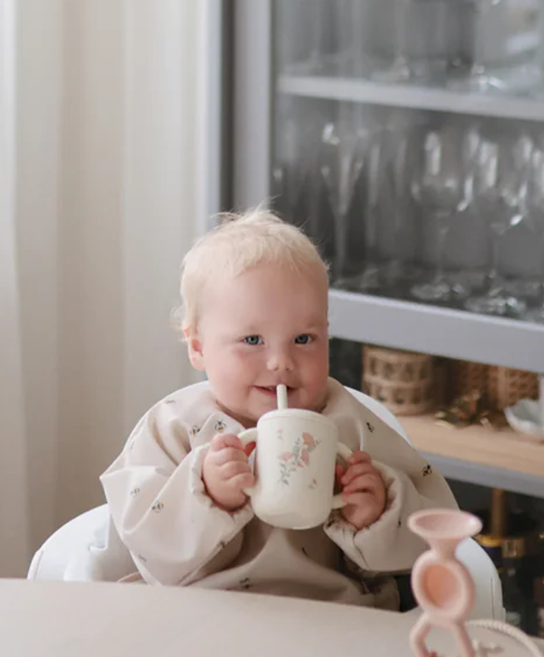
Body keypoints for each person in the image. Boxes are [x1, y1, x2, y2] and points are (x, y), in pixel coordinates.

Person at [100, 210, 457, 609]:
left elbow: (433, 531)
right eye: (252, 339)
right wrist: (206, 494)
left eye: (304, 338)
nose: (280, 362)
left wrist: (376, 514)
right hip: (204, 614)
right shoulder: (175, 425)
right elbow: (147, 547)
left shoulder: (351, 425)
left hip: (334, 616)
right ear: (198, 346)